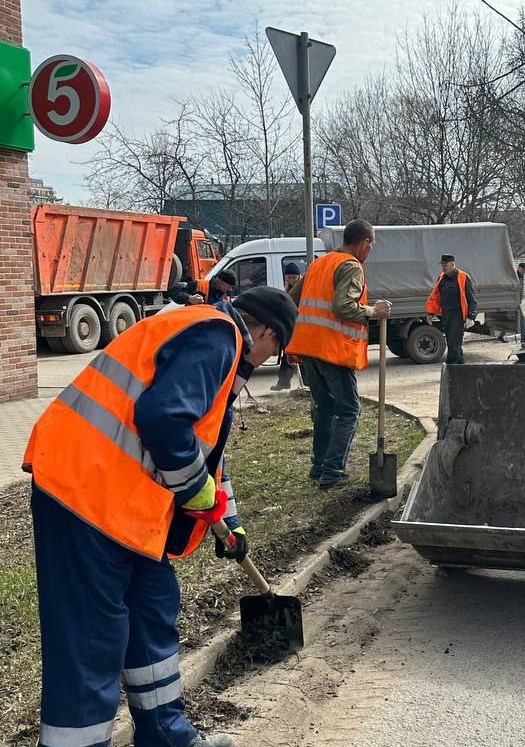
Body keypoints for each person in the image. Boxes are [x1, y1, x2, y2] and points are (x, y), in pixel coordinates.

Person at [22, 285, 298, 747]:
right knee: (93, 637)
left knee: (152, 608)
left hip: (127, 507)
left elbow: (205, 452)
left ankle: (167, 736)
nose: (271, 359)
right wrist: (196, 494)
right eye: (277, 349)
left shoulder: (214, 345)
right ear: (267, 331)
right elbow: (164, 420)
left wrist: (228, 519)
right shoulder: (219, 336)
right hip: (83, 493)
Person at [285, 219, 392, 487]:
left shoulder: (320, 263)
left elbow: (292, 298)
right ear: (364, 242)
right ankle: (332, 472)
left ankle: (319, 466)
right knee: (349, 409)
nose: (370, 251)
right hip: (331, 349)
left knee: (326, 406)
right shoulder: (350, 266)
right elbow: (343, 306)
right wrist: (373, 311)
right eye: (371, 246)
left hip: (308, 348)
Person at [425, 254, 478, 365]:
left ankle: (450, 368)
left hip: (458, 316)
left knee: (454, 344)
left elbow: (472, 299)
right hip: (446, 315)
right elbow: (437, 296)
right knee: (453, 343)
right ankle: (461, 369)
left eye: (445, 265)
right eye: (442, 265)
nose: (443, 267)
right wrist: (431, 312)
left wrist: (471, 317)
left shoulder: (463, 277)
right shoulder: (441, 278)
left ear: (452, 264)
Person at [271, 263, 303, 391]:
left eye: (294, 277)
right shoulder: (286, 290)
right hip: (289, 325)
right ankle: (284, 382)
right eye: (289, 277)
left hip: (302, 325)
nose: (292, 280)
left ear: (299, 277)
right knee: (288, 354)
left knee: (303, 356)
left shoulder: (303, 288)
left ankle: (307, 383)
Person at [168, 269, 237, 306]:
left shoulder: (226, 295)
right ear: (220, 280)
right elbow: (175, 294)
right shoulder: (198, 285)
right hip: (194, 327)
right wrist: (189, 298)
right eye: (229, 286)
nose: (230, 289)